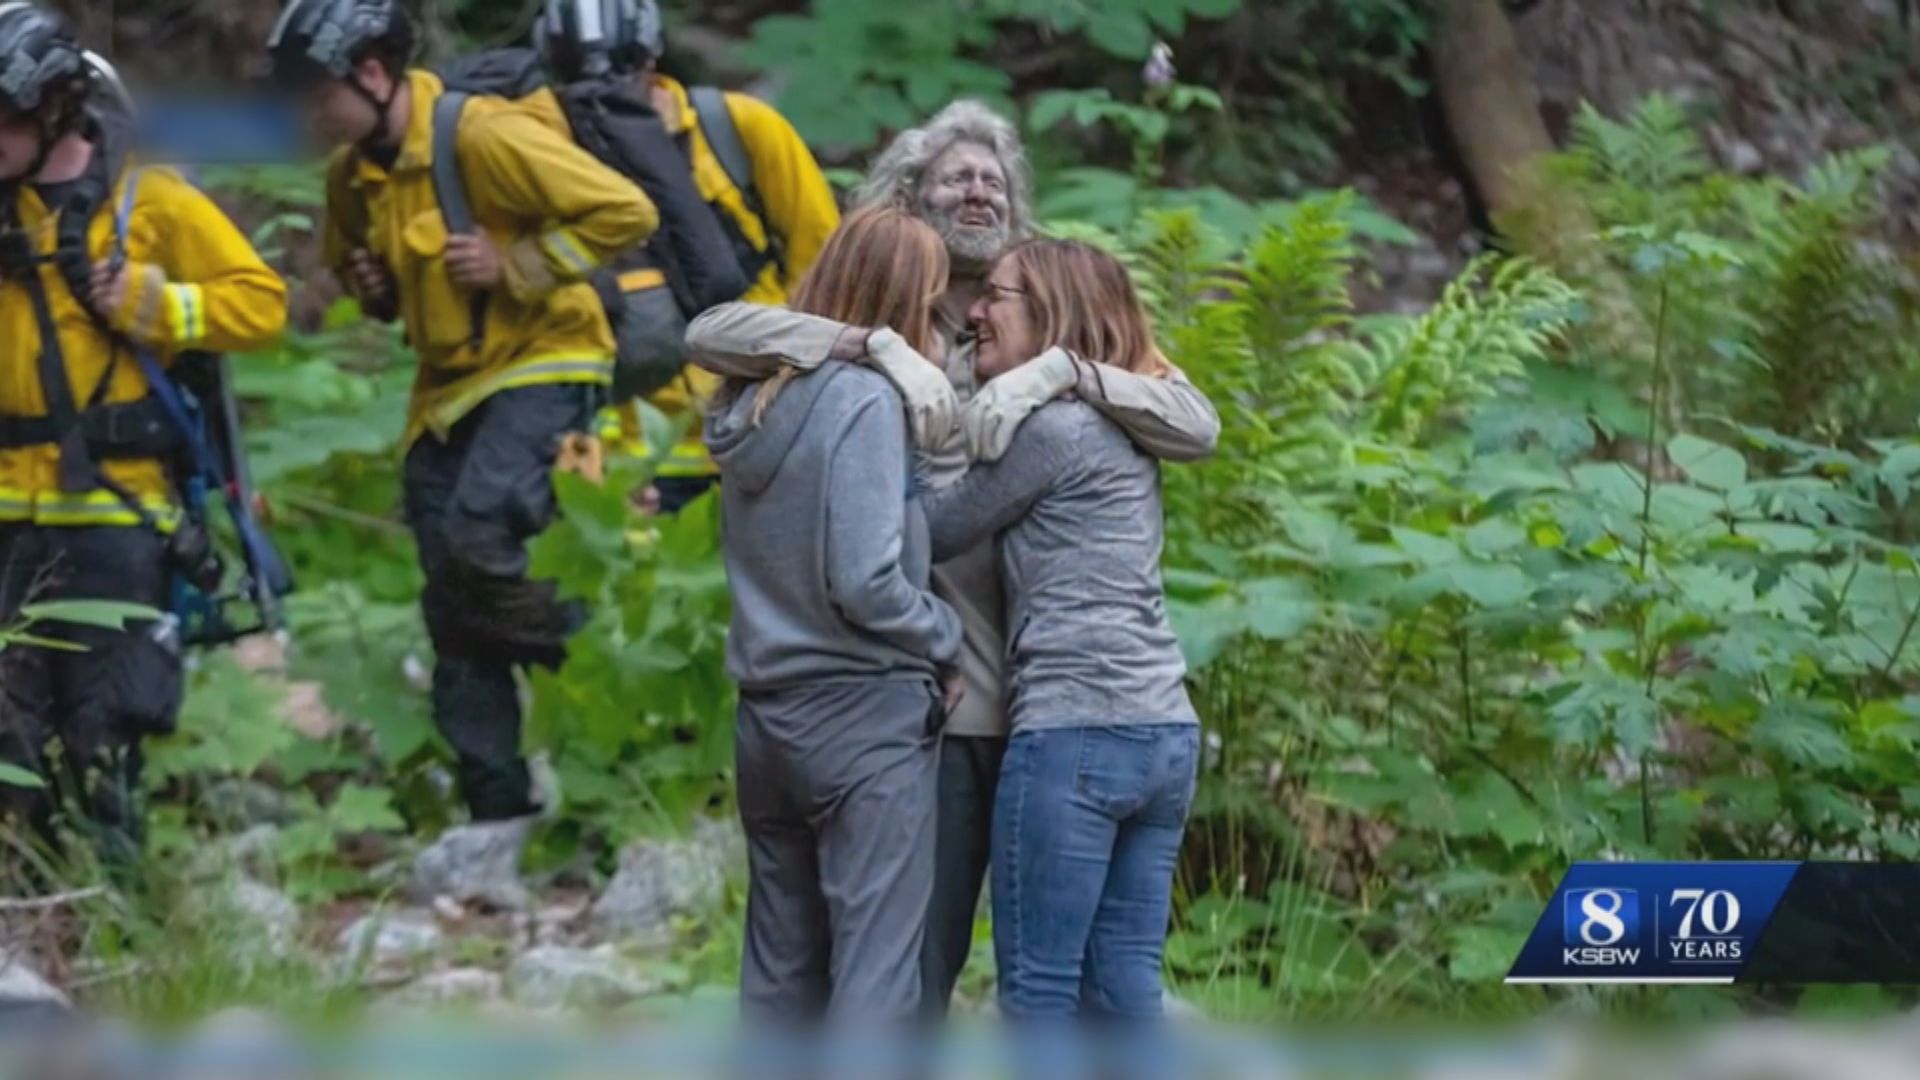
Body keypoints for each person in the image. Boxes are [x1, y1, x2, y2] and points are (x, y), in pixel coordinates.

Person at [682, 99, 1218, 1019]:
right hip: (940, 700)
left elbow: (1197, 422)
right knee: (911, 970)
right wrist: (878, 346)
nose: (979, 189)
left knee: (1060, 979)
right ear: (909, 198)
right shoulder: (888, 320)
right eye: (956, 177)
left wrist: (1067, 373)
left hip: (1058, 707)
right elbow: (711, 335)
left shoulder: (1041, 319)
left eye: (994, 179)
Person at [266, 0, 657, 823]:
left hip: (547, 356)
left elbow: (625, 212)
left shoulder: (479, 134)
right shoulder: (351, 174)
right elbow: (358, 276)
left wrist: (518, 261)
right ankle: (498, 811)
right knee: (449, 595)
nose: (306, 112)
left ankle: (596, 667)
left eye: (316, 93)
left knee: (482, 536)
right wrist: (371, 291)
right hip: (445, 389)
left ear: (372, 73)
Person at [0, 4, 289, 868]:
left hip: (120, 513)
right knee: (11, 731)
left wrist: (166, 306)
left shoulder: (148, 199)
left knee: (105, 726)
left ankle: (116, 911)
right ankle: (31, 915)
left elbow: (262, 303)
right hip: (9, 508)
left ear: (52, 107)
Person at [919, 238, 1199, 1023]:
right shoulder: (1125, 420)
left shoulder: (1053, 430)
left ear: (1053, 313)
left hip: (1073, 734)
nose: (975, 311)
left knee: (1038, 995)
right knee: (1122, 989)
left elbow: (937, 528)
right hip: (1164, 732)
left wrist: (899, 445)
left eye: (996, 296)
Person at [701, 205, 962, 1024]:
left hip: (767, 721)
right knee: (875, 979)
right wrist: (946, 639)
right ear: (903, 302)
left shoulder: (754, 399)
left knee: (779, 979)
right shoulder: (864, 401)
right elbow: (865, 579)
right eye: (934, 303)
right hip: (862, 720)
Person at [534, 0, 838, 512]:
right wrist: (586, 481)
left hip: (757, 436)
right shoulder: (542, 158)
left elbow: (830, 274)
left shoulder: (736, 129)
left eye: (621, 72)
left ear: (652, 61)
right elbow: (550, 335)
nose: (599, 95)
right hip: (624, 459)